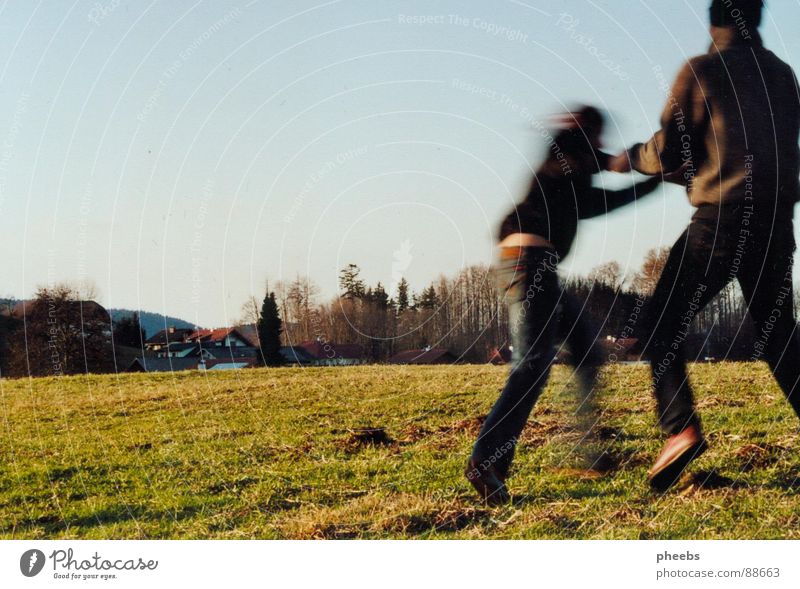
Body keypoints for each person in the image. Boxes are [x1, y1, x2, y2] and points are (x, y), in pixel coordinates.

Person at [609, 0, 800, 491]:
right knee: (778, 334)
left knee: (661, 322)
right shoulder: (783, 76)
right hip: (776, 223)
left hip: (722, 222)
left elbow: (670, 149)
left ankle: (680, 429)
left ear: (714, 22)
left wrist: (628, 159)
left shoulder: (702, 71)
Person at [466, 106, 663, 505]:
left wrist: (641, 178)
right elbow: (586, 181)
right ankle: (485, 462)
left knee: (588, 351)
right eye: (598, 137)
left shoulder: (570, 176)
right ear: (586, 135)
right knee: (532, 366)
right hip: (528, 262)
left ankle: (587, 454)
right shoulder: (563, 158)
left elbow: (594, 199)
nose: (603, 144)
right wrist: (629, 169)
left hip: (539, 267)